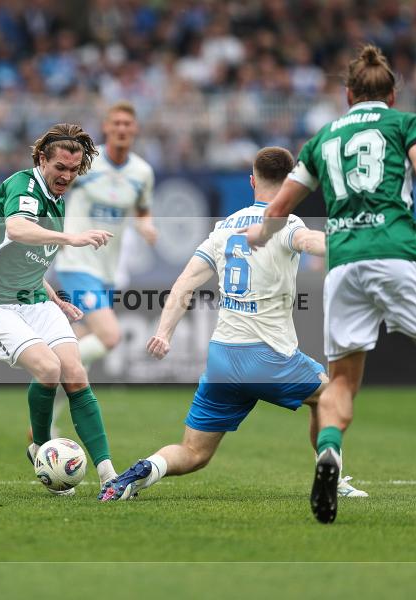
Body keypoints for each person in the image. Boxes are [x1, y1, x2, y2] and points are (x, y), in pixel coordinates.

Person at [244, 45, 416, 523]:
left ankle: (329, 453)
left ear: (347, 95)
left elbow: (278, 208)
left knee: (342, 380)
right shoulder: (405, 123)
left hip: (343, 263)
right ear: (391, 93)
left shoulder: (322, 139)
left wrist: (260, 234)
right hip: (397, 253)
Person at [98, 146, 366, 502]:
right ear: (291, 184)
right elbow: (311, 241)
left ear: (252, 181)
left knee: (193, 453)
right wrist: (351, 244)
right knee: (332, 395)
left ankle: (140, 472)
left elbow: (185, 283)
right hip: (268, 357)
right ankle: (331, 477)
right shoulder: (287, 222)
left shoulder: (225, 227)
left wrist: (164, 333)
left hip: (223, 358)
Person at [0, 123, 118, 495]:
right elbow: (16, 230)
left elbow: (28, 258)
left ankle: (110, 475)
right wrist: (71, 238)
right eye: (60, 167)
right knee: (49, 368)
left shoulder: (57, 200)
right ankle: (41, 448)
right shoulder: (23, 185)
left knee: (75, 371)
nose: (66, 176)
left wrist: (55, 298)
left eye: (73, 170)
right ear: (42, 160)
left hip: (34, 299)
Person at [54, 101, 157, 369]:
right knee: (110, 336)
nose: (121, 128)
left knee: (86, 339)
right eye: (116, 123)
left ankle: (55, 392)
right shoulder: (87, 163)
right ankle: (52, 366)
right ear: (106, 127)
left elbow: (143, 210)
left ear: (135, 129)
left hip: (107, 270)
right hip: (76, 262)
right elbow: (53, 191)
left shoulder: (142, 173)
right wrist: (59, 234)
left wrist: (145, 224)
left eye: (127, 124)